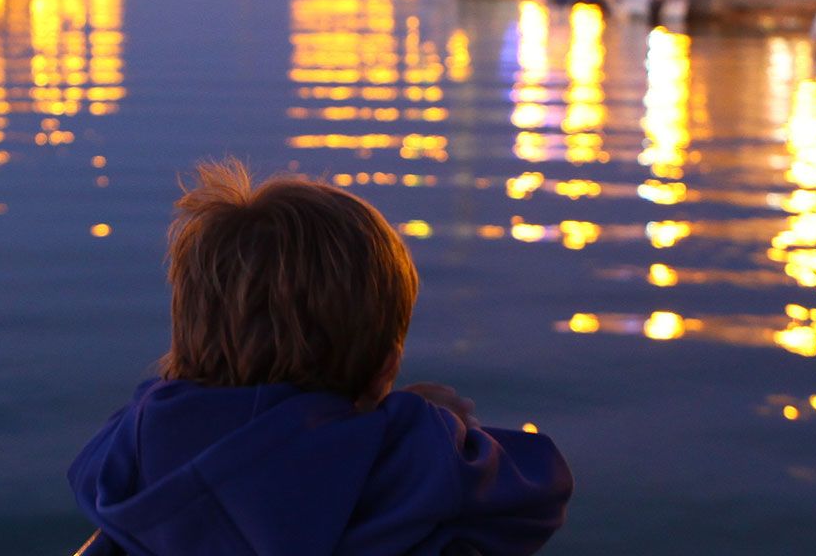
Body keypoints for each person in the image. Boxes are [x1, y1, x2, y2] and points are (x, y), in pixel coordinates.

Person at [69, 160, 573, 556]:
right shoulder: (404, 458)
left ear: (187, 340)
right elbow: (539, 490)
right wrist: (436, 424)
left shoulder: (129, 452)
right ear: (385, 368)